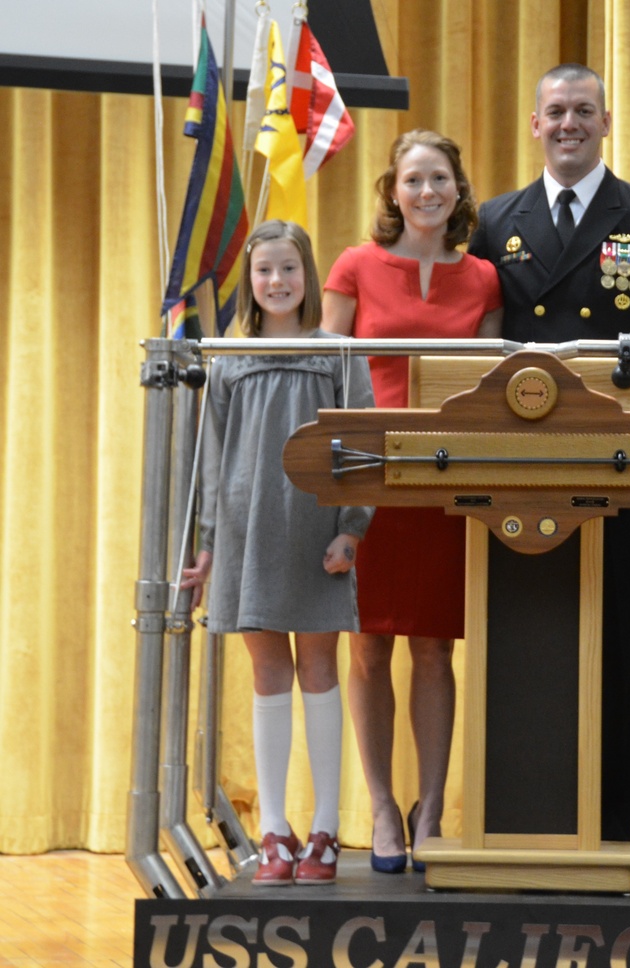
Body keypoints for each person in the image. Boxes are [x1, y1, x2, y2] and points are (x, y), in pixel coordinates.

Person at [467, 63, 630, 842]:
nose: (568, 123)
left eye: (583, 111)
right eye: (555, 111)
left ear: (606, 122)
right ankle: (514, 827)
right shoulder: (495, 220)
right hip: (516, 479)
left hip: (621, 475)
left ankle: (608, 833)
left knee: (608, 649)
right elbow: (471, 355)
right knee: (519, 646)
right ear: (534, 125)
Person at [322, 129, 503, 873]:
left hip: (446, 475)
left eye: (439, 179)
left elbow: (491, 388)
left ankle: (431, 809)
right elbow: (325, 373)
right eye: (412, 180)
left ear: (459, 189)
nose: (426, 192)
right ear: (392, 192)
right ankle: (380, 807)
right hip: (366, 472)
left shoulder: (487, 278)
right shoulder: (354, 265)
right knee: (368, 644)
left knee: (433, 646)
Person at [181, 220, 375, 886]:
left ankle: (324, 828)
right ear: (251, 284)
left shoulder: (341, 354)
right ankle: (274, 830)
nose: (277, 281)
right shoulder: (229, 357)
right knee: (268, 671)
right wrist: (207, 542)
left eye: (288, 268)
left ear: (308, 275)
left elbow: (364, 448)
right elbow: (211, 457)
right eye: (264, 271)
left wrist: (352, 528)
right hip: (248, 531)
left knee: (320, 664)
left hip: (318, 531)